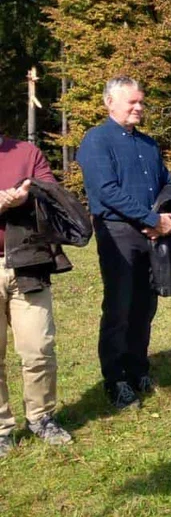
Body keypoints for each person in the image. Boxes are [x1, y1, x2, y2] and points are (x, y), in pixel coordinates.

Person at [77, 76, 171, 409]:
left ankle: (138, 368)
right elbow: (106, 191)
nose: (138, 107)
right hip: (118, 233)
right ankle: (115, 378)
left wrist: (167, 216)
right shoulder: (96, 141)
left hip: (151, 234)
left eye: (141, 102)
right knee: (119, 306)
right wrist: (150, 220)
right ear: (110, 102)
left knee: (146, 305)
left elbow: (167, 183)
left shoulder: (148, 144)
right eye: (132, 102)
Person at [0, 137, 74, 454]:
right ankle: (1, 429)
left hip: (29, 261)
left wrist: (28, 197)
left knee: (39, 347)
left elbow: (55, 197)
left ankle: (42, 417)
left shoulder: (27, 152)